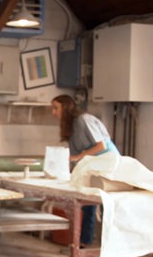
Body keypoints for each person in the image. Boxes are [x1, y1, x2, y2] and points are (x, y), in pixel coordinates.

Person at [51, 94, 120, 247]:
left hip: (107, 163)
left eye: (56, 108)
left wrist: (79, 157)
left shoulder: (83, 120)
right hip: (92, 165)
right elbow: (74, 155)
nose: (53, 113)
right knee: (88, 204)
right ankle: (84, 242)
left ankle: (112, 244)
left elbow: (100, 146)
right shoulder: (70, 125)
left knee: (105, 205)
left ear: (65, 107)